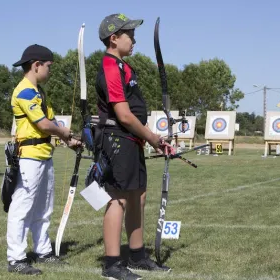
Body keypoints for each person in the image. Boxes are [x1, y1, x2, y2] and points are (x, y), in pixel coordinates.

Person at [96, 14, 174, 280]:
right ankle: (112, 264)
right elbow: (124, 115)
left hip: (131, 139)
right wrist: (152, 138)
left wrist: (149, 136)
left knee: (137, 197)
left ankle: (137, 255)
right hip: (118, 139)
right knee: (117, 199)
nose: (134, 39)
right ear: (114, 38)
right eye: (129, 34)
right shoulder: (110, 66)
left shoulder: (122, 66)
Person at [7, 44, 80, 275]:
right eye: (48, 66)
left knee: (44, 209)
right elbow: (43, 125)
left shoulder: (38, 92)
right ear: (36, 65)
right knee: (22, 208)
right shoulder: (25, 91)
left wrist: (68, 139)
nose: (50, 71)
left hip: (43, 156)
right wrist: (65, 133)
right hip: (29, 157)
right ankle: (16, 258)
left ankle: (43, 251)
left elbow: (52, 121)